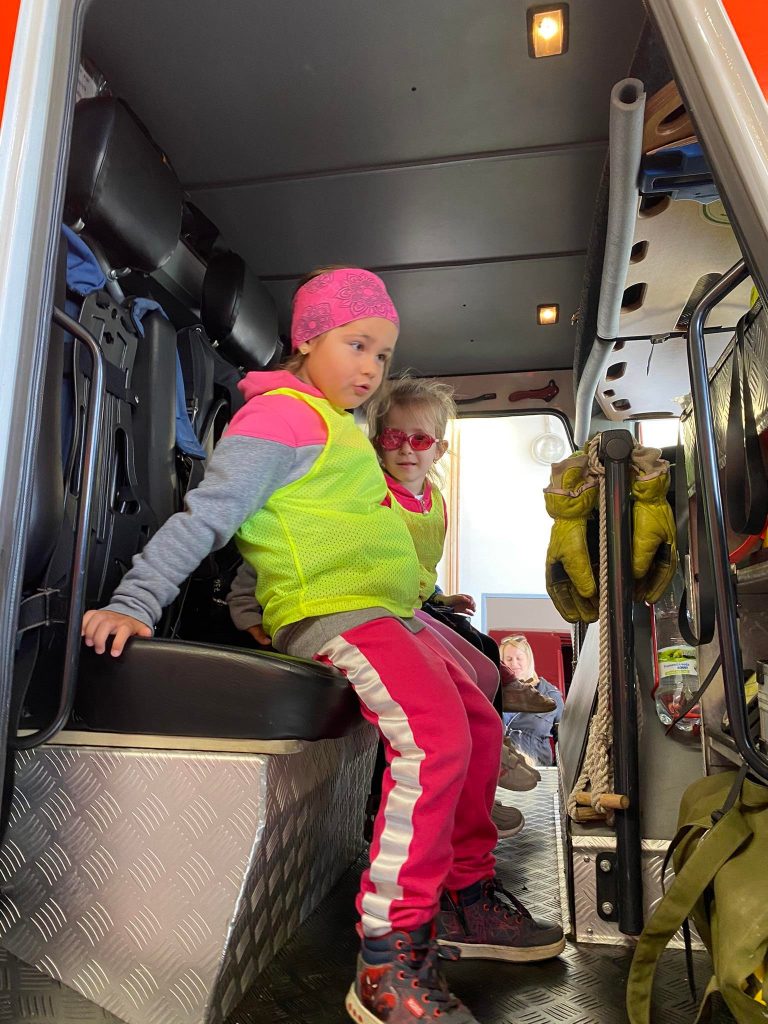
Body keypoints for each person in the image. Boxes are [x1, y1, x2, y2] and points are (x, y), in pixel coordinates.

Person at [81, 266, 563, 1024]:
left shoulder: (337, 426)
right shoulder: (279, 418)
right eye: (356, 344)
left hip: (383, 609)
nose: (371, 368)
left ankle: (465, 894)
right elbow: (211, 515)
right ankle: (389, 957)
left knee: (475, 709)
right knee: (436, 737)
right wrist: (135, 601)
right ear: (307, 338)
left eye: (383, 353)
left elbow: (327, 524)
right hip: (333, 612)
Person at [500, 635, 565, 767]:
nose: (514, 664)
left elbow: (565, 742)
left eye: (519, 658)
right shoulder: (493, 692)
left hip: (537, 768)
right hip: (500, 769)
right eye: (509, 659)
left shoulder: (550, 694)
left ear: (528, 659)